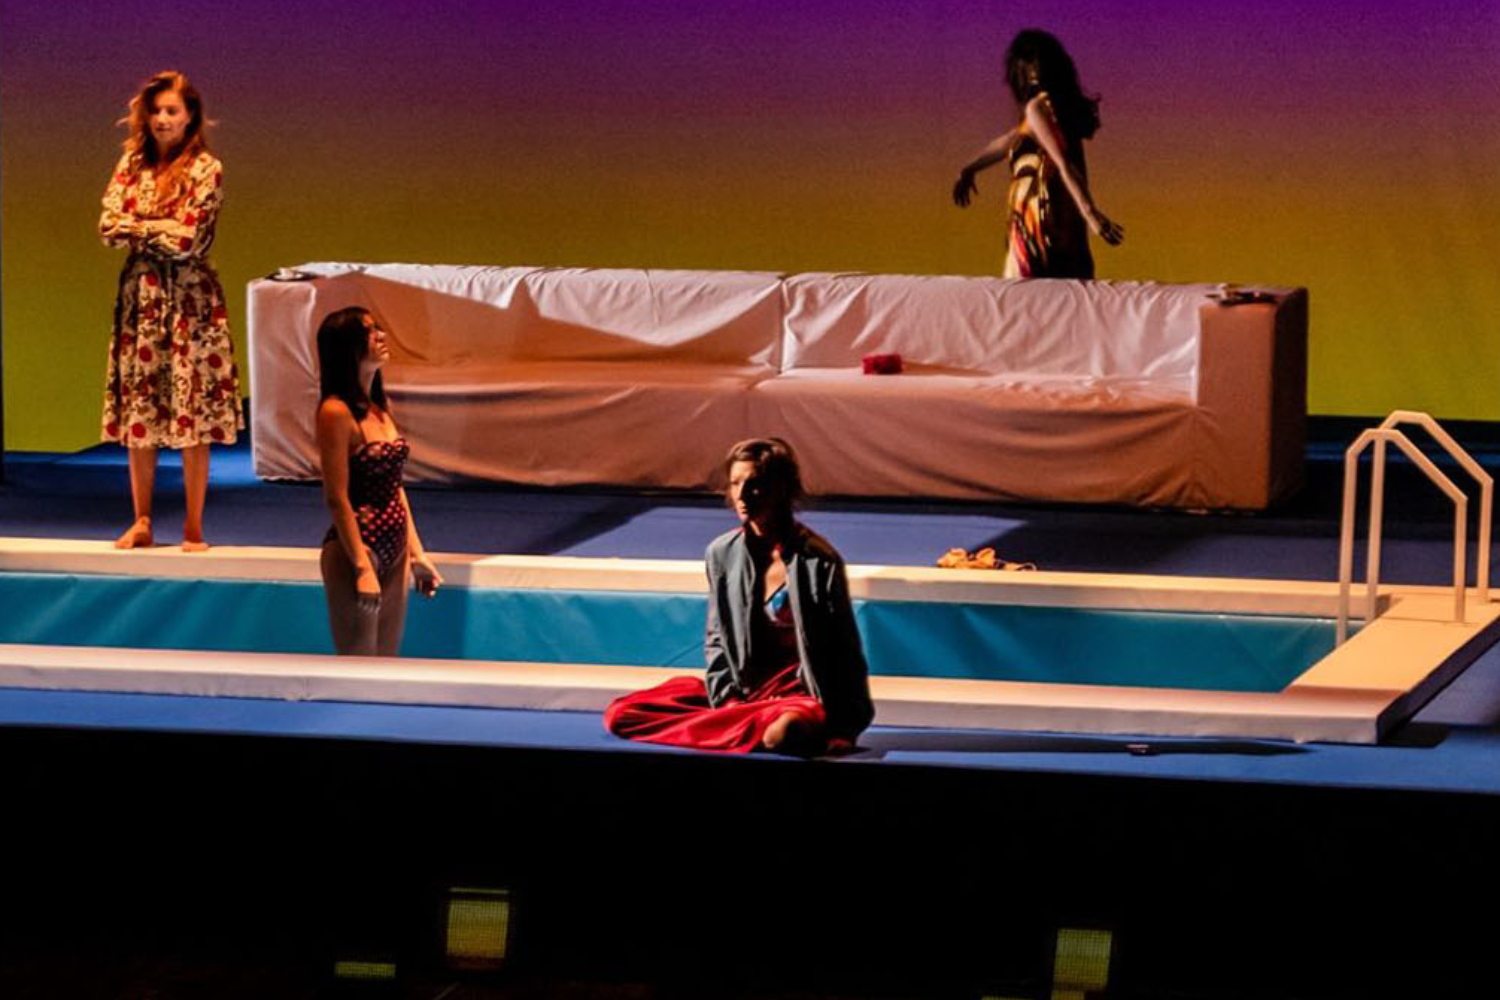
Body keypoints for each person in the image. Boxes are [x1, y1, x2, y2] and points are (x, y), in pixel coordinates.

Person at [604, 438, 874, 755]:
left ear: (781, 489)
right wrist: (728, 699)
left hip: (797, 697)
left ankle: (735, 727)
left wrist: (845, 729)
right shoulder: (722, 553)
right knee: (622, 713)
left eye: (754, 485)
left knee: (786, 734)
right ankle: (735, 723)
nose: (742, 496)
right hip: (743, 691)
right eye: (735, 484)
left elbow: (845, 650)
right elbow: (716, 637)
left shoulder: (818, 560)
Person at [99, 71, 243, 550]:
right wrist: (157, 225)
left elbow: (187, 241)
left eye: (171, 111)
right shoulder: (131, 163)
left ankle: (193, 527)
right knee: (141, 410)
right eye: (156, 111)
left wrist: (138, 225)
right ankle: (141, 520)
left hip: (190, 303)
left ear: (189, 117)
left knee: (192, 411)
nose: (162, 119)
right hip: (141, 297)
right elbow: (107, 227)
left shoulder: (206, 168)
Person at [315, 307, 443, 656]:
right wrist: (361, 566)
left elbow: (395, 488)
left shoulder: (379, 408)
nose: (381, 336)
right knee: (358, 660)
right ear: (347, 348)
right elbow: (337, 497)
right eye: (369, 332)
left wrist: (417, 553)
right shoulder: (335, 412)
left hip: (395, 545)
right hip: (358, 548)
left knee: (387, 660)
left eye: (377, 328)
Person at [953, 29, 1124, 279]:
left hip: (1040, 220)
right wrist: (970, 168)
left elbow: (1063, 163)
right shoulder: (1052, 110)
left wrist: (1091, 214)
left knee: (1032, 292)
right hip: (1056, 219)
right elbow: (1009, 140)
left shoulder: (1038, 109)